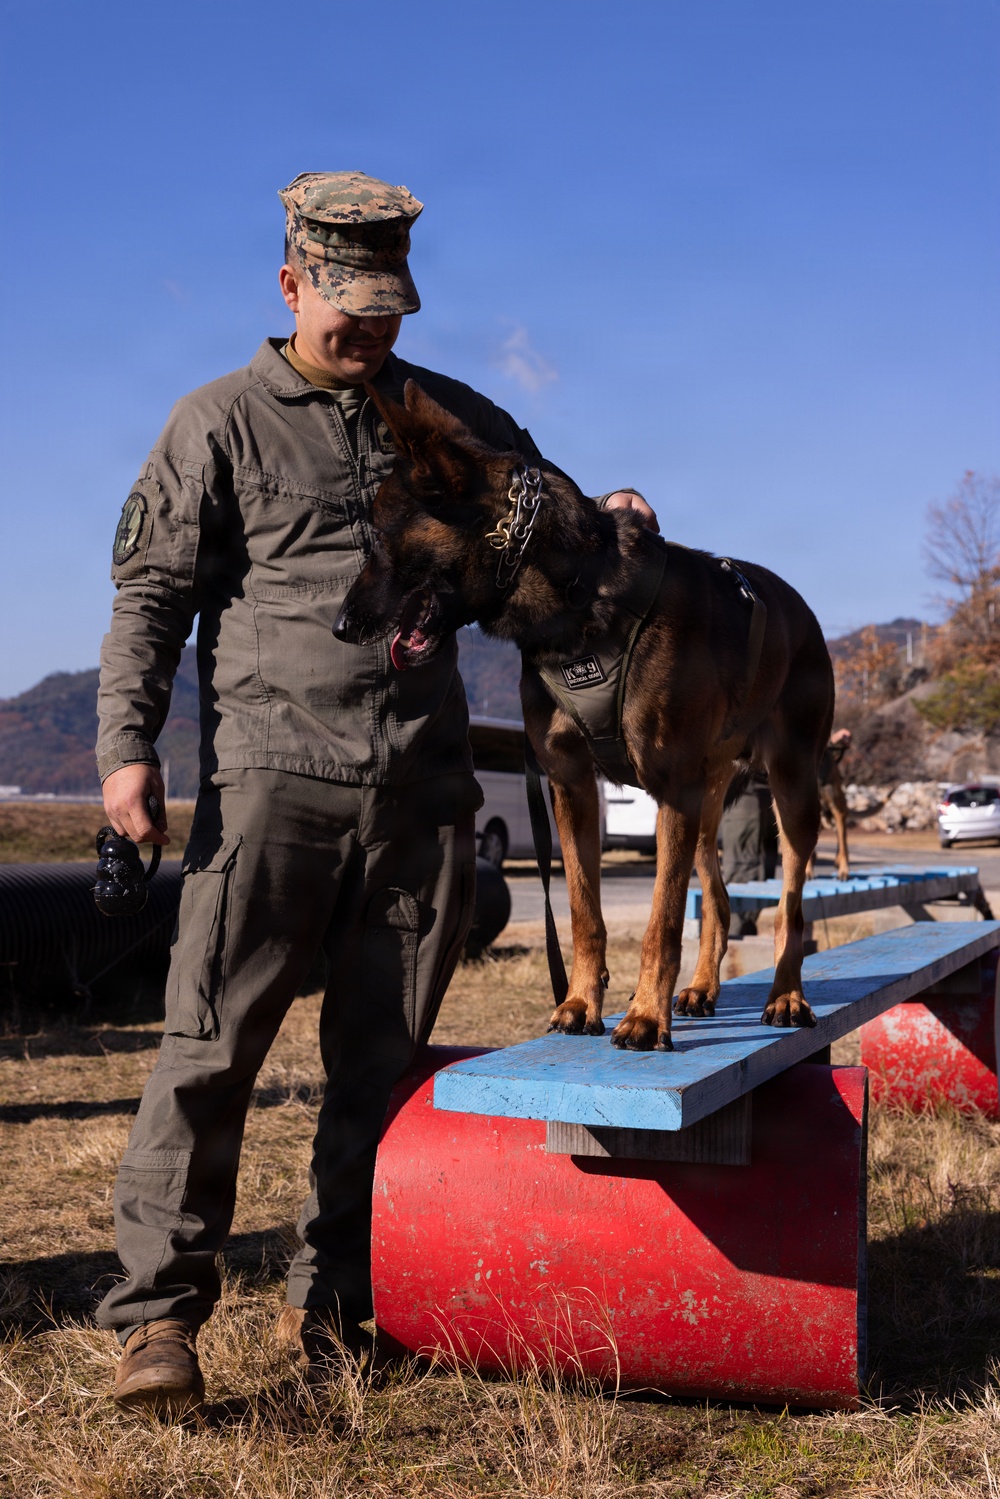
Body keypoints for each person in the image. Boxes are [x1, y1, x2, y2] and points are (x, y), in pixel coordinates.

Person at [95, 170, 657, 1415]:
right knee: (207, 1055)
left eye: (390, 310)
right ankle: (159, 1325)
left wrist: (610, 510)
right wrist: (126, 753)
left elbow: (548, 516)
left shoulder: (450, 414)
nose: (372, 333)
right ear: (291, 284)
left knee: (383, 1065)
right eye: (348, 310)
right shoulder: (220, 423)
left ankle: (343, 1304)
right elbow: (148, 601)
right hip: (270, 789)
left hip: (417, 796)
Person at [719, 772, 779, 937]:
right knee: (743, 877)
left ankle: (743, 935)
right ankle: (730, 945)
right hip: (744, 789)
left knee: (762, 877)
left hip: (768, 790)